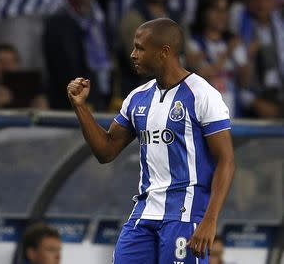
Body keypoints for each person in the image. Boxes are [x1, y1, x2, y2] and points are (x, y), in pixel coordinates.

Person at [67, 18, 235, 263]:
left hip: (185, 215)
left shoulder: (202, 94)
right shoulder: (138, 97)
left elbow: (226, 161)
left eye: (140, 48)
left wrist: (209, 220)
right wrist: (80, 107)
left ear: (164, 52)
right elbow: (106, 151)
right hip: (144, 213)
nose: (133, 54)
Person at [44, 0, 113, 111]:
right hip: (69, 103)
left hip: (101, 98)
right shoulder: (58, 20)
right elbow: (62, 68)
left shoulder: (100, 17)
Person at [187, 0, 251, 117]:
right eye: (216, 10)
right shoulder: (194, 43)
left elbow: (245, 81)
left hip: (233, 112)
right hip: (205, 115)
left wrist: (249, 58)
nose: (221, 16)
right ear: (204, 13)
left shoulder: (234, 43)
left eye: (224, 11)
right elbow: (203, 74)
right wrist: (227, 53)